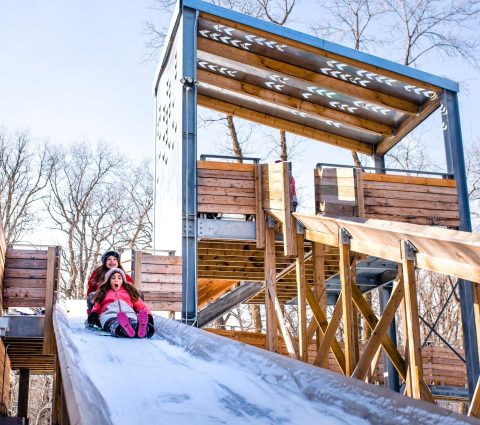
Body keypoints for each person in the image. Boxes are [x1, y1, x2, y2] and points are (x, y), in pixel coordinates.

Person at [87, 268, 154, 338]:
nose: (116, 280)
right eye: (113, 278)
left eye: (119, 278)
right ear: (108, 280)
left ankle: (141, 328)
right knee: (114, 324)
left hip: (128, 314)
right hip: (109, 315)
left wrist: (148, 316)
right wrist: (94, 314)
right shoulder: (103, 292)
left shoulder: (129, 291)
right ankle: (124, 328)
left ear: (123, 281)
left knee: (134, 323)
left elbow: (141, 306)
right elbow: (97, 306)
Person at [86, 250, 134, 314]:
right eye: (109, 259)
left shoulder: (125, 276)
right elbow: (91, 289)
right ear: (104, 262)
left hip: (121, 301)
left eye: (115, 259)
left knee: (137, 295)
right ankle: (93, 316)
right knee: (91, 295)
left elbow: (132, 289)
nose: (112, 261)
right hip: (103, 302)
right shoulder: (97, 274)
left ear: (118, 262)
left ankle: (135, 314)